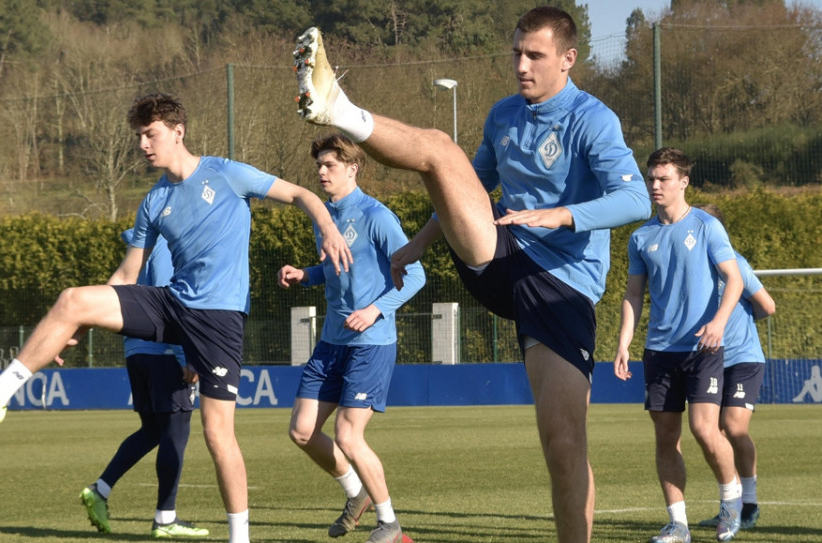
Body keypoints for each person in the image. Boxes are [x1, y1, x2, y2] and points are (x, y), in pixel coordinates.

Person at [293, 6, 651, 542]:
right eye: (516, 53)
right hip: (498, 251)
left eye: (536, 55)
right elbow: (463, 187)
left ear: (568, 60)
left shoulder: (593, 119)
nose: (522, 65)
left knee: (564, 442)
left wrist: (561, 214)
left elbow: (635, 199)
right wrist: (416, 244)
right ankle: (338, 108)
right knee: (439, 147)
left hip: (561, 285)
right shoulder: (503, 115)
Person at [0, 92, 352, 543]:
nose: (143, 145)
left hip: (218, 321)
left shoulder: (225, 173)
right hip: (172, 303)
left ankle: (240, 539)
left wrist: (328, 229)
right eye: (138, 137)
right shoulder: (154, 201)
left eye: (150, 135)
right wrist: (80, 322)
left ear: (178, 131)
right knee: (72, 300)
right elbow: (129, 273)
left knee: (217, 435)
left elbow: (299, 193)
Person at [278, 133, 425, 543]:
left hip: (371, 343)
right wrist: (305, 274)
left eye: (330, 166)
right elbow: (336, 269)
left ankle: (390, 524)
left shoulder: (377, 217)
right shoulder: (322, 217)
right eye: (319, 166)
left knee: (347, 435)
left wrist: (375, 309)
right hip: (331, 342)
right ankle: (355, 493)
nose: (321, 173)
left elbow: (416, 274)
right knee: (302, 431)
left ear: (353, 169)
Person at [613, 147, 745, 543]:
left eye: (663, 178)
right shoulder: (640, 236)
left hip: (702, 349)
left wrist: (718, 323)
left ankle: (731, 499)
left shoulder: (706, 226)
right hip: (659, 351)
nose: (655, 185)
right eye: (651, 177)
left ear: (683, 182)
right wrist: (624, 343)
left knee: (705, 430)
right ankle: (678, 525)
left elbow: (734, 280)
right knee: (666, 437)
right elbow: (633, 294)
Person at [79, 229, 207, 539]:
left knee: (152, 430)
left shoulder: (141, 245)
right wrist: (184, 353)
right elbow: (169, 298)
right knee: (176, 432)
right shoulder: (165, 243)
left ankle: (100, 489)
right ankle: (165, 519)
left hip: (136, 351)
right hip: (163, 351)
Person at [692, 204, 775, 532]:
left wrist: (738, 321)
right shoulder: (691, 267)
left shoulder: (736, 264)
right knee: (712, 433)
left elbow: (768, 305)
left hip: (743, 359)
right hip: (708, 360)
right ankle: (730, 505)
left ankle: (749, 504)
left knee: (733, 427)